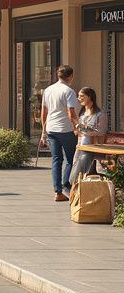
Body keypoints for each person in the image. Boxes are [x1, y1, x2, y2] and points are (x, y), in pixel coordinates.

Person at [41, 64, 80, 202]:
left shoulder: (48, 90)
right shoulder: (68, 91)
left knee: (56, 160)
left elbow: (43, 113)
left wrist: (43, 131)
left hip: (51, 128)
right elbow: (71, 112)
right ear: (70, 76)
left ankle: (58, 192)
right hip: (65, 129)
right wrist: (78, 126)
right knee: (71, 159)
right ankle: (66, 185)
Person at [69, 86, 107, 186]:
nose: (79, 98)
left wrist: (82, 128)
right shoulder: (81, 113)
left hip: (93, 148)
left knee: (78, 173)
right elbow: (78, 130)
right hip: (81, 146)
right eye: (78, 96)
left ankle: (76, 186)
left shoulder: (99, 114)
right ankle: (76, 190)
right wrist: (77, 129)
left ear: (89, 97)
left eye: (82, 96)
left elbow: (101, 131)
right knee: (76, 167)